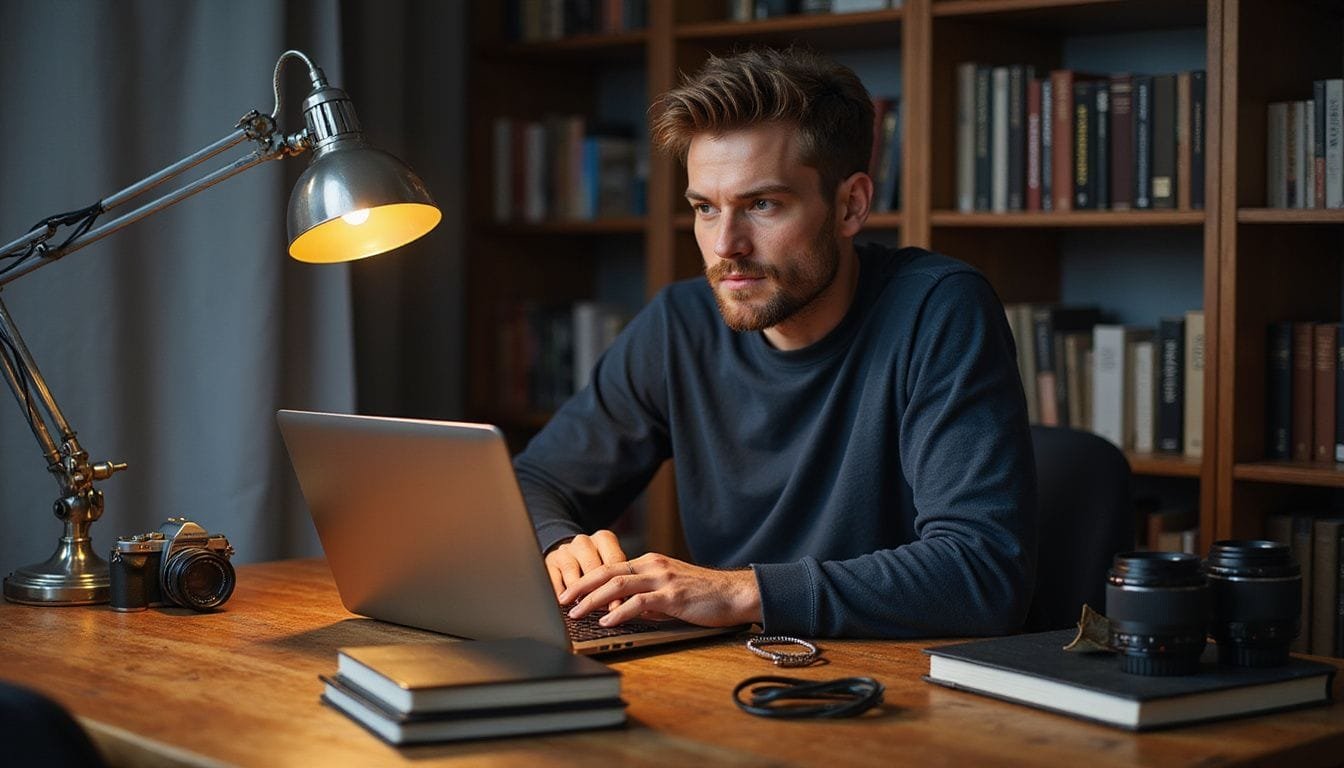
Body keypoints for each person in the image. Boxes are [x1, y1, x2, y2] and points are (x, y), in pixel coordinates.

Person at [513, 47, 1037, 638]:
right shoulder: (678, 323)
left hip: (892, 683)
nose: (726, 245)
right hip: (733, 671)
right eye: (705, 209)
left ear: (850, 205)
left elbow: (982, 572)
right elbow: (533, 484)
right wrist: (560, 544)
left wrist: (738, 591)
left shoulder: (938, 309)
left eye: (762, 204)